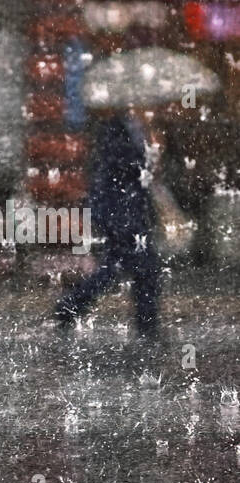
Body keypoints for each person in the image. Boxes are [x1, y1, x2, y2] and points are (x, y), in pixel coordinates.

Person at [54, 103, 161, 341]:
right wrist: (149, 159)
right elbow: (124, 168)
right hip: (119, 210)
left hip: (126, 209)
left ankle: (69, 307)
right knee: (144, 267)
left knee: (117, 267)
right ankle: (147, 326)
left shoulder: (134, 127)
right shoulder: (115, 128)